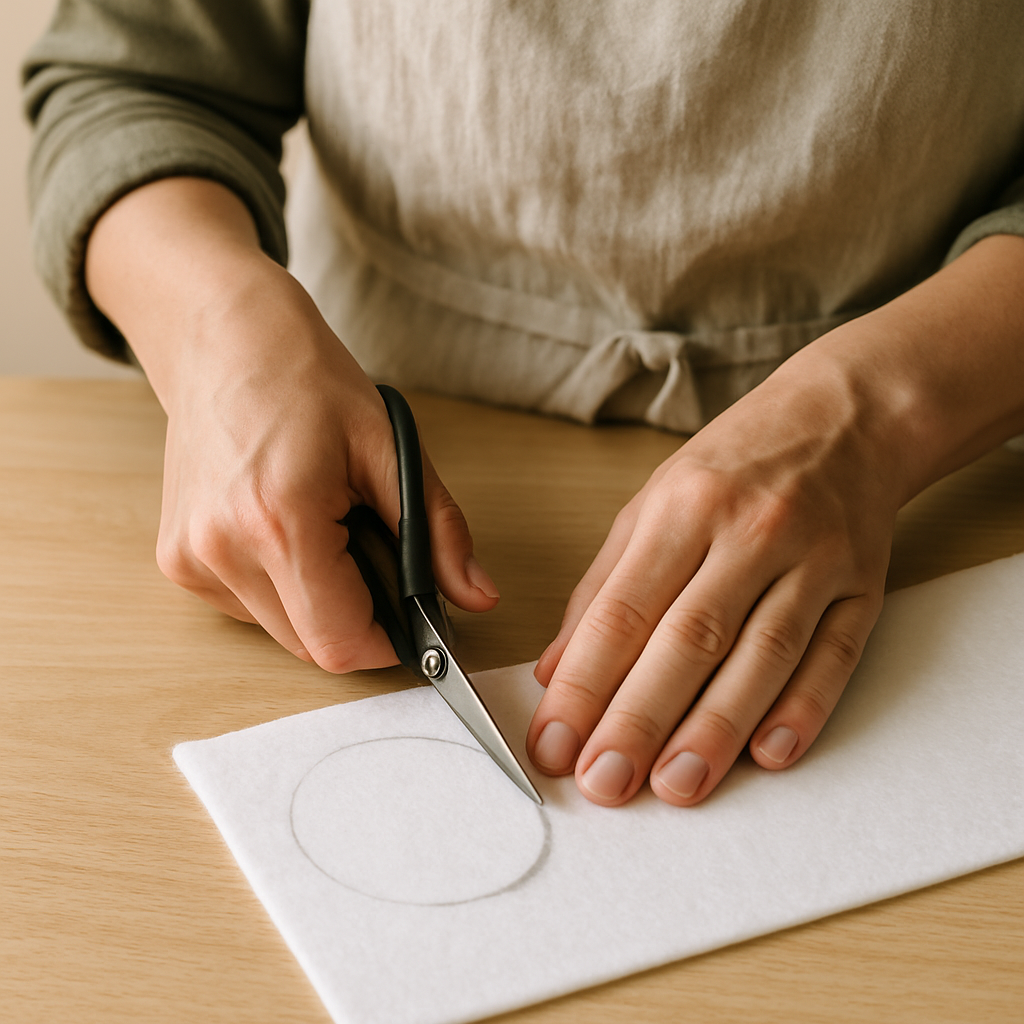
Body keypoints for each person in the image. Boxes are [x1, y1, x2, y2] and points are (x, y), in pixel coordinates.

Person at [24, 1, 1024, 809]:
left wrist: (880, 410)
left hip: (957, 482)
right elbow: (133, 77)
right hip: (354, 470)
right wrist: (214, 333)